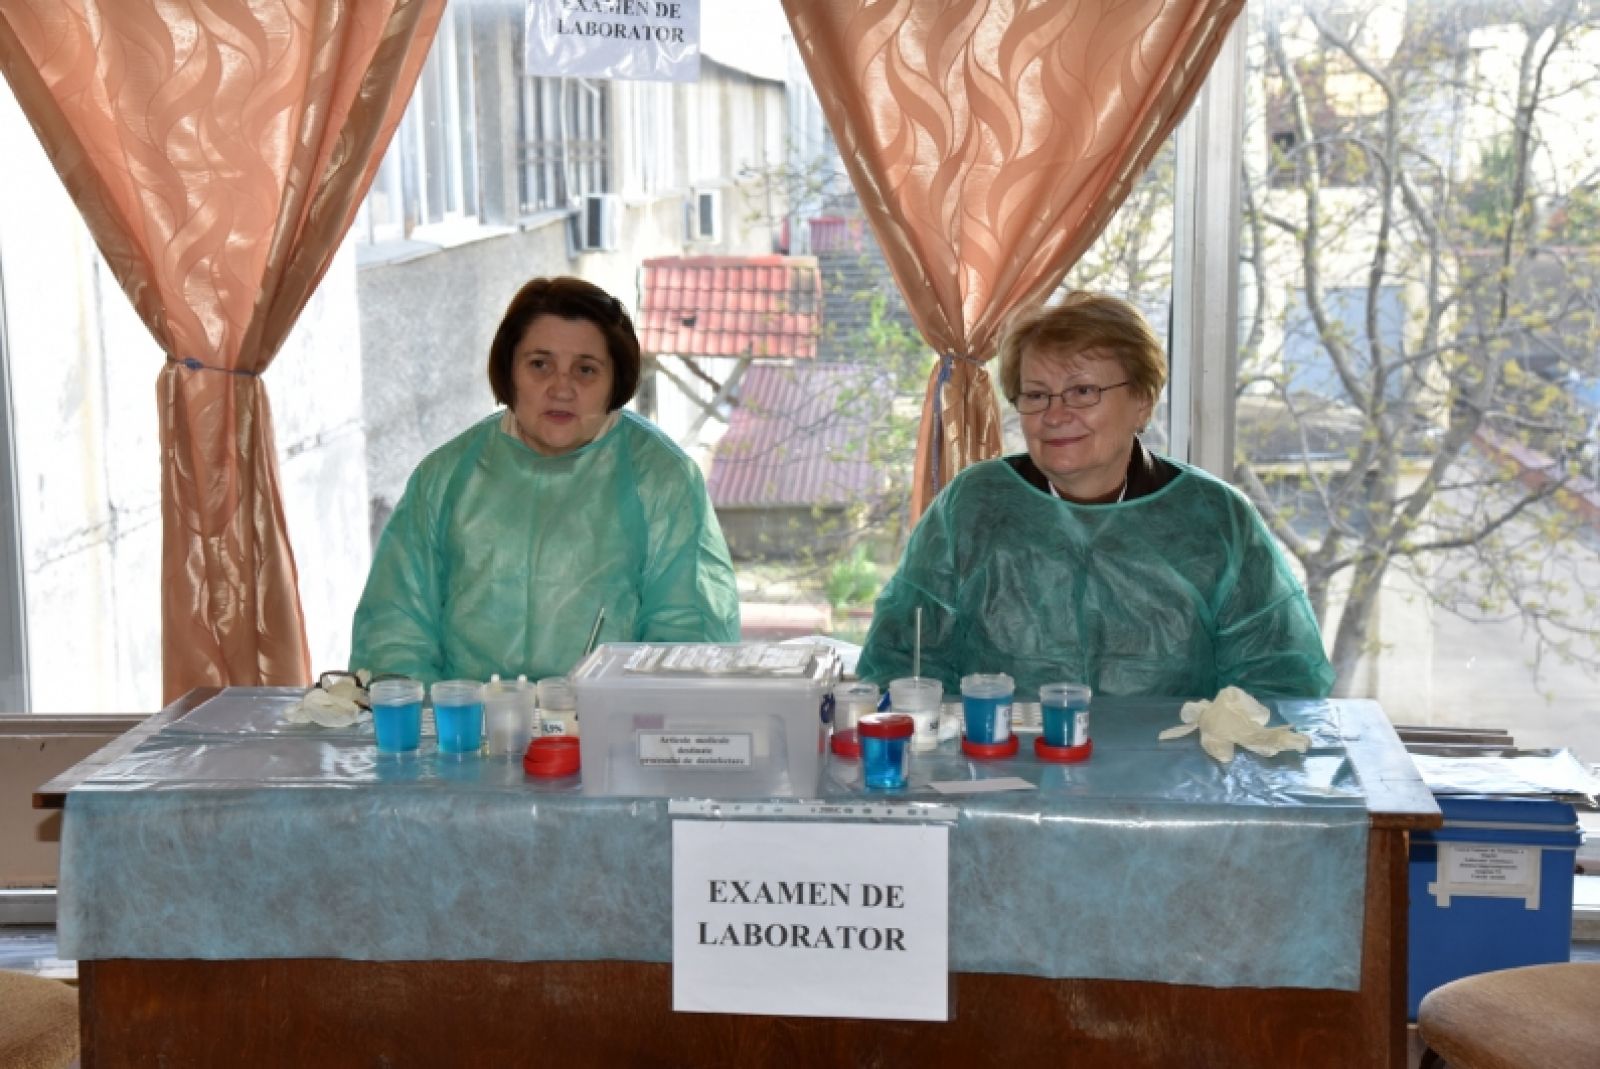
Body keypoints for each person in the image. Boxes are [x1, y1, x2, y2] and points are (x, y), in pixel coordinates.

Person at [856, 291, 1334, 699]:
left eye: (1083, 391)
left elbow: (1277, 687)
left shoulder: (1216, 519)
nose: (1055, 415)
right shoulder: (973, 507)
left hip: (1178, 773)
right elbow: (905, 662)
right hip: (998, 766)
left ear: (1142, 401)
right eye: (1036, 395)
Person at [351, 276, 740, 684]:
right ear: (509, 371)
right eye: (540, 364)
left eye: (586, 370)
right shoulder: (446, 476)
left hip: (610, 720)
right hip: (463, 720)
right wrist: (435, 718)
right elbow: (394, 633)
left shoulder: (663, 479)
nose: (561, 388)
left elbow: (688, 638)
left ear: (616, 381)